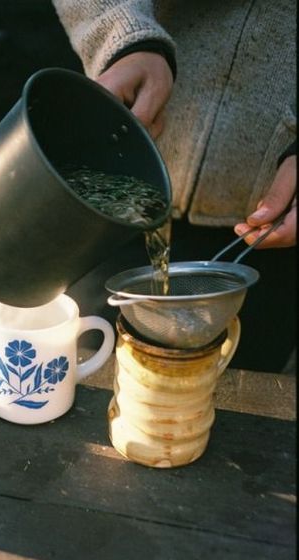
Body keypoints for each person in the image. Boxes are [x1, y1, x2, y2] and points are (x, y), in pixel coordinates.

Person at [53, 0, 296, 372]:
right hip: (124, 190)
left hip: (274, 227)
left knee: (236, 388)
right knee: (88, 364)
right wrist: (124, 37)